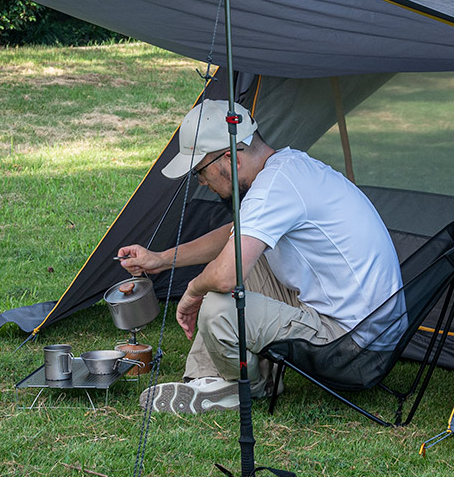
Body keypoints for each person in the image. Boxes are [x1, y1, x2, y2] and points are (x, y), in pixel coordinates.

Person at [117, 99, 402, 414]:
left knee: (217, 305)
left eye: (200, 171)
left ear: (230, 158)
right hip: (367, 331)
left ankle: (242, 387)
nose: (201, 182)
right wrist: (160, 259)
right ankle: (208, 380)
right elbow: (236, 234)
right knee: (239, 257)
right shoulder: (288, 169)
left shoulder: (274, 188)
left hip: (354, 349)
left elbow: (226, 276)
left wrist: (193, 290)